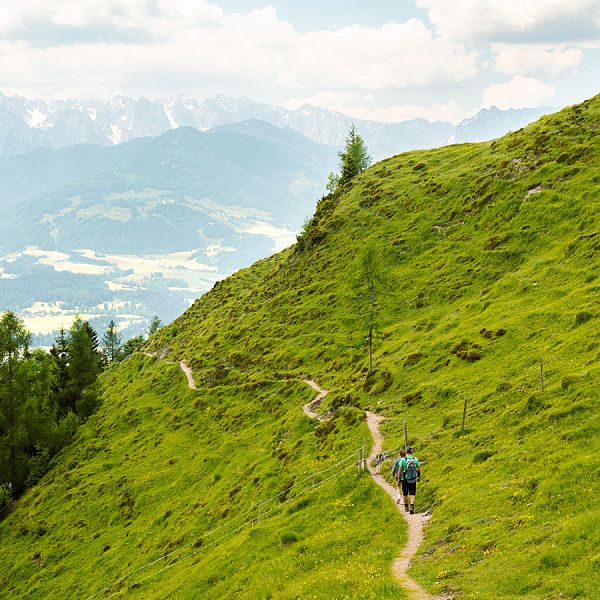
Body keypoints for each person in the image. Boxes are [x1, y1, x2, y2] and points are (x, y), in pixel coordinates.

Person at [399, 446, 421, 514]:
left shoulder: (403, 459)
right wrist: (418, 477)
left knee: (405, 493)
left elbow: (400, 470)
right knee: (412, 493)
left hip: (405, 479)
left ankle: (406, 507)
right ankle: (412, 506)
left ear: (406, 452)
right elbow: (418, 469)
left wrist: (399, 479)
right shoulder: (415, 459)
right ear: (412, 452)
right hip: (413, 479)